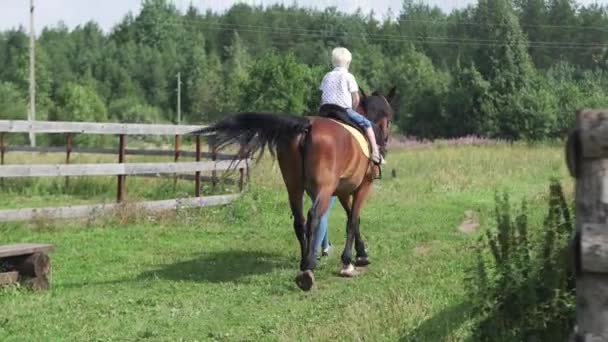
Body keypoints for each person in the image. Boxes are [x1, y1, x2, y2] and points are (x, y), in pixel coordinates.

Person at [319, 47, 385, 165]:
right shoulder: (349, 76)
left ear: (332, 61)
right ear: (348, 63)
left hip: (325, 110)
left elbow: (322, 96)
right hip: (342, 110)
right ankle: (375, 152)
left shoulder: (327, 76)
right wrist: (353, 109)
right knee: (367, 124)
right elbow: (356, 98)